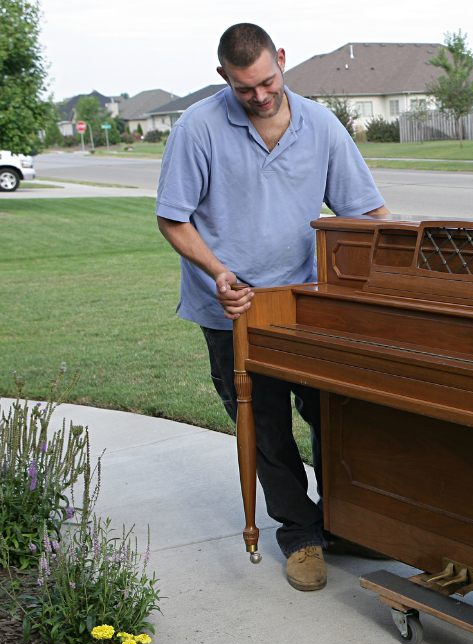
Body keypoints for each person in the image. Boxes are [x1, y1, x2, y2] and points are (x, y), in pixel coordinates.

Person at [156, 23, 389, 592]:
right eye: (244, 89)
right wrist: (218, 274)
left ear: (281, 60)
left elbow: (367, 216)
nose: (260, 96)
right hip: (232, 309)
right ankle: (301, 535)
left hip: (305, 305)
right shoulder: (197, 129)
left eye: (267, 81)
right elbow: (172, 217)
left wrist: (398, 267)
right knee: (264, 427)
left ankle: (345, 520)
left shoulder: (322, 125)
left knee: (333, 415)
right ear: (223, 78)